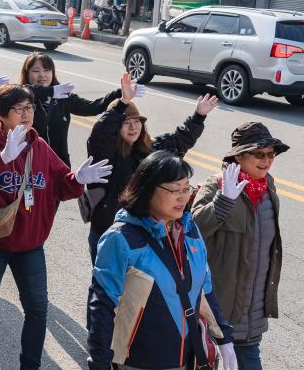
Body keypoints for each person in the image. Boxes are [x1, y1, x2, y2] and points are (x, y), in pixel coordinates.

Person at [0, 84, 113, 370]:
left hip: (29, 244)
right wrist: (1, 158)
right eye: (19, 109)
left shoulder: (37, 143)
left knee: (38, 309)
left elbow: (62, 185)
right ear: (2, 116)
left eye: (29, 107)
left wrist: (78, 180)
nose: (27, 113)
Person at [81, 151, 237, 370]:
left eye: (186, 188)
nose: (183, 197)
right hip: (141, 369)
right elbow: (101, 306)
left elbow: (204, 290)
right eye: (175, 189)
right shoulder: (120, 239)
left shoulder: (189, 230)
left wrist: (225, 338)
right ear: (148, 189)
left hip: (183, 364)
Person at [191, 122, 288, 370]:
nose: (267, 160)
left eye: (270, 154)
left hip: (254, 297)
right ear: (239, 157)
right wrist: (223, 201)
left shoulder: (268, 187)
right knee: (192, 356)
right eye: (259, 154)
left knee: (250, 356)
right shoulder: (216, 185)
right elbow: (196, 229)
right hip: (218, 299)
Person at [85, 73, 218, 264]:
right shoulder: (106, 155)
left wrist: (198, 116)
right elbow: (101, 133)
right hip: (108, 232)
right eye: (126, 123)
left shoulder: (150, 151)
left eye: (137, 121)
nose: (133, 127)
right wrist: (122, 102)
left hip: (144, 233)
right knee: (109, 289)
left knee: (140, 290)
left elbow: (179, 141)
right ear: (116, 127)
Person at [20, 52, 124, 168]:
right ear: (27, 73)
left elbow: (94, 107)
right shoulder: (20, 97)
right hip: (29, 165)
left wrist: (121, 93)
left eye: (47, 70)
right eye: (36, 71)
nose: (42, 75)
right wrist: (51, 91)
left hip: (59, 165)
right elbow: (22, 90)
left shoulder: (64, 96)